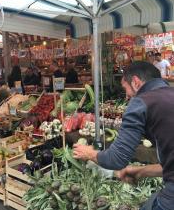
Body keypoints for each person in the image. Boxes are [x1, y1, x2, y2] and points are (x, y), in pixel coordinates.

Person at [73, 61, 174, 210]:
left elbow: (117, 159)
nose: (126, 96)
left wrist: (89, 153)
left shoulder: (141, 102)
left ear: (135, 82)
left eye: (125, 88)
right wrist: (139, 171)